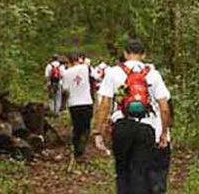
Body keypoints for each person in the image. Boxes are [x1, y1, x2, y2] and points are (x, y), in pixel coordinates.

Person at [93, 38, 171, 194]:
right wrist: (163, 132)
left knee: (122, 172)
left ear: (125, 53)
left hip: (122, 127)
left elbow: (104, 105)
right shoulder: (153, 74)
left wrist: (98, 131)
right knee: (140, 172)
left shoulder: (113, 72)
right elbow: (164, 108)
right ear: (143, 55)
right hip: (146, 129)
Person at [62, 53, 94, 161]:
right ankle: (81, 150)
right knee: (86, 128)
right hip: (86, 102)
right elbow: (88, 62)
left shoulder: (66, 73)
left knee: (77, 128)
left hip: (73, 104)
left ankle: (76, 150)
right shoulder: (84, 68)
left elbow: (65, 90)